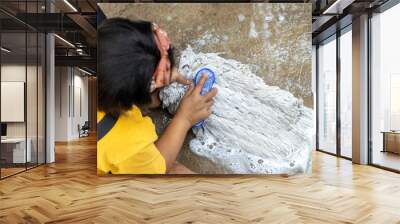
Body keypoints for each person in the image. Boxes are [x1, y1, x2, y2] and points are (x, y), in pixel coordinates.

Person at [97, 18, 217, 174]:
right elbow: (158, 168)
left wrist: (160, 72)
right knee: (177, 171)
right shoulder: (128, 142)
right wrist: (185, 118)